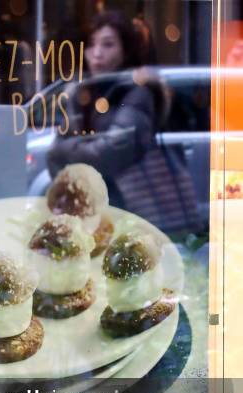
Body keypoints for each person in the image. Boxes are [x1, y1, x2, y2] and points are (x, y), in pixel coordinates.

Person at [47, 11, 202, 234]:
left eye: (108, 45)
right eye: (91, 45)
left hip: (137, 212)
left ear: (125, 51)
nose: (97, 53)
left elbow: (111, 152)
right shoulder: (81, 95)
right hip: (102, 213)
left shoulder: (138, 91)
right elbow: (62, 159)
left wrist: (63, 152)